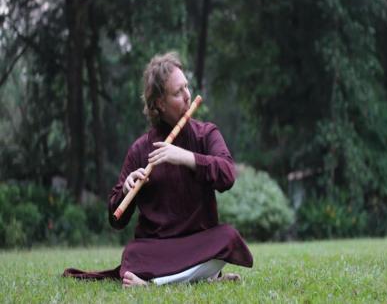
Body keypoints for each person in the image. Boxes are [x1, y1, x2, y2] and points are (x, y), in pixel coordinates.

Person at [63, 52, 253, 287]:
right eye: (177, 92)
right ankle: (202, 277)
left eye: (186, 87)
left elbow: (227, 175)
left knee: (229, 238)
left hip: (199, 243)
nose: (187, 96)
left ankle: (155, 284)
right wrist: (126, 190)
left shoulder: (207, 134)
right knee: (131, 255)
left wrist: (186, 157)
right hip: (159, 248)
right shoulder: (140, 149)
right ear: (159, 104)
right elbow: (116, 219)